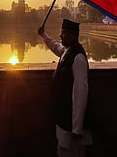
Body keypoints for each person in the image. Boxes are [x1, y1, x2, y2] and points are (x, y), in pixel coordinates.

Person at [38, 19, 93, 157]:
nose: (60, 36)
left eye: (64, 33)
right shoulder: (67, 52)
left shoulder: (78, 57)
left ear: (73, 36)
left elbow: (80, 95)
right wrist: (43, 35)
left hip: (72, 128)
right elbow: (55, 47)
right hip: (64, 121)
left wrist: (77, 130)